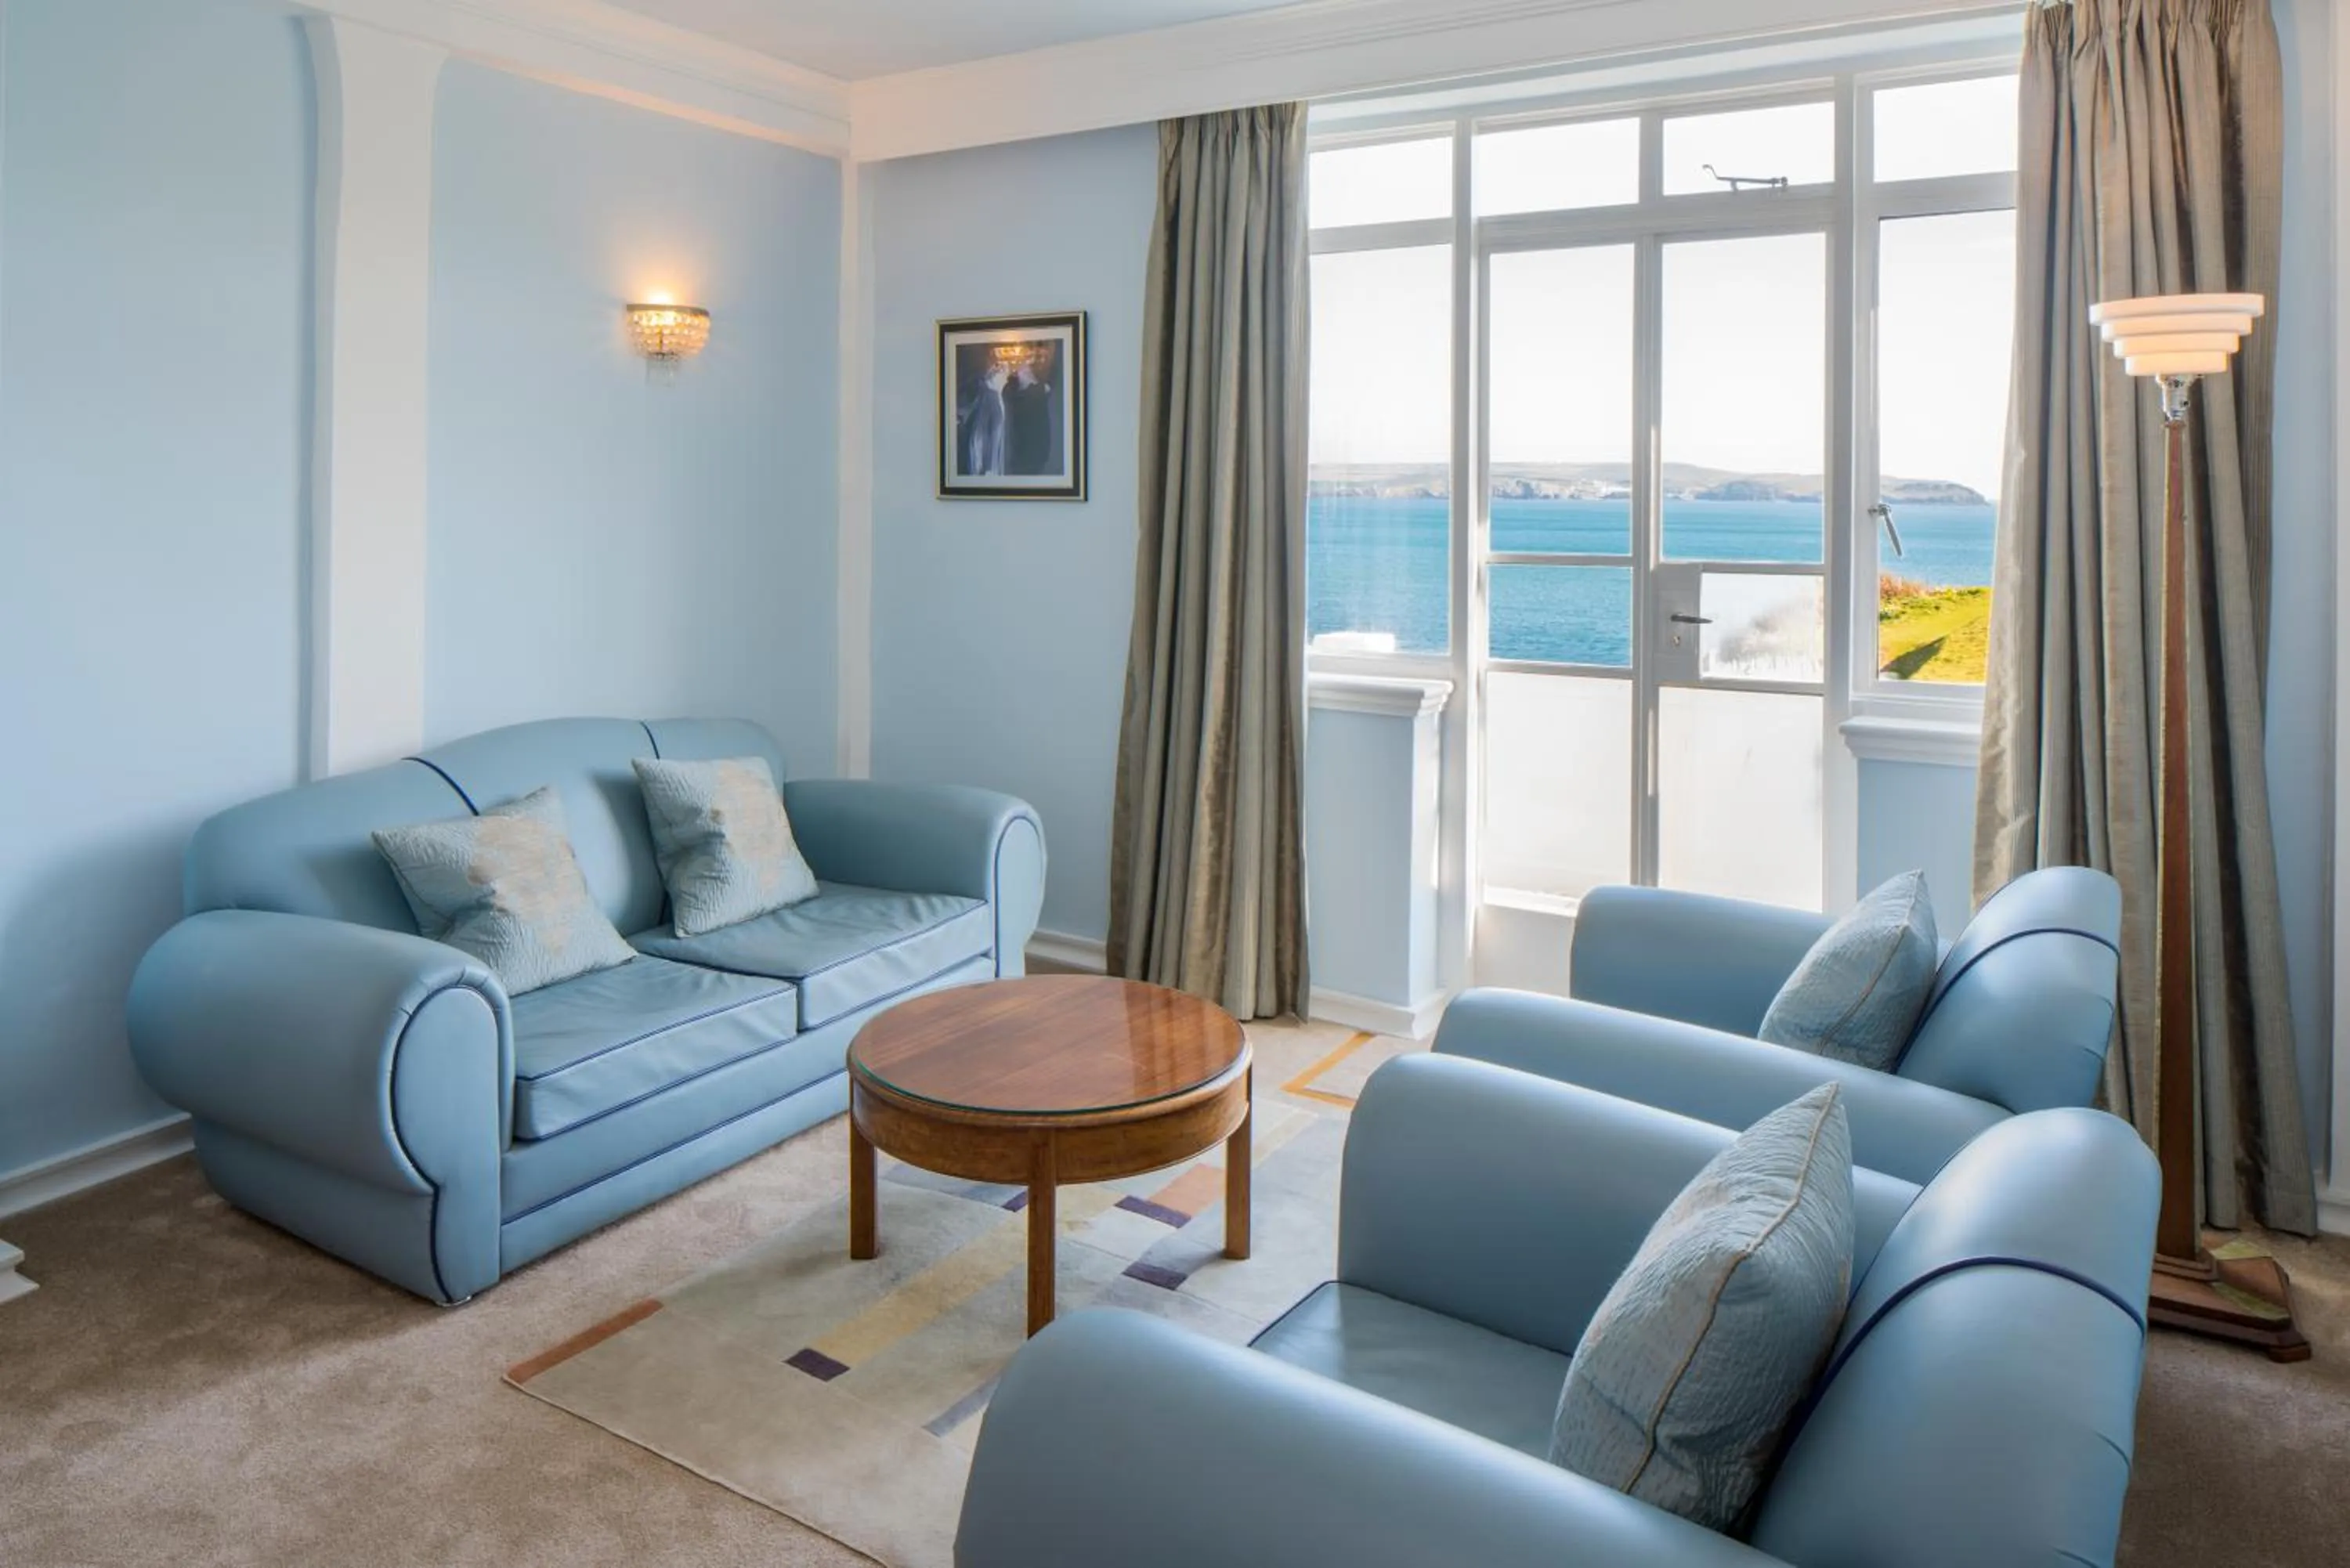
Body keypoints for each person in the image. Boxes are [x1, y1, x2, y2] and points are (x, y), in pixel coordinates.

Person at [1003, 350, 1059, 476]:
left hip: (1031, 455)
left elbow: (1045, 387)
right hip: (1022, 455)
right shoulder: (1012, 391)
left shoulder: (1039, 391)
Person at [958, 358, 1010, 477]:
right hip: (983, 466)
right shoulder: (989, 396)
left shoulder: (993, 397)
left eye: (1002, 369)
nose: (1000, 370)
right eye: (998, 367)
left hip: (984, 466)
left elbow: (994, 436)